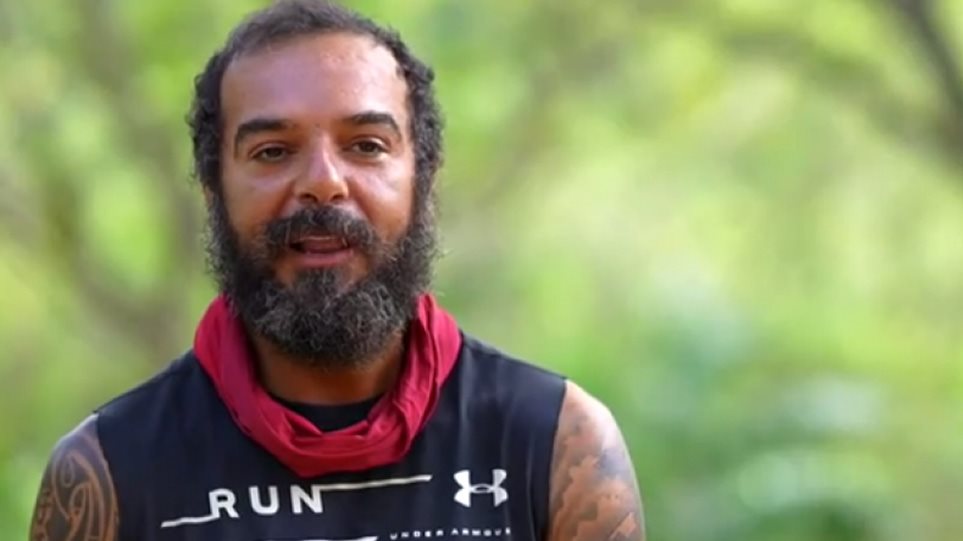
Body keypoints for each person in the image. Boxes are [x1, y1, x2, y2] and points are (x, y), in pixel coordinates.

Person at [27, 1, 645, 540]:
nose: (324, 183)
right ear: (214, 191)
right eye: (273, 151)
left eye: (366, 146)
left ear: (424, 180)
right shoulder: (108, 471)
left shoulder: (558, 443)